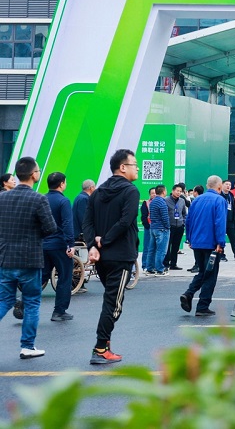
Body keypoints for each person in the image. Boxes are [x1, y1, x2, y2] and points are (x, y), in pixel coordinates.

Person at [83, 149, 140, 365]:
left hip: (102, 258)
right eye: (134, 164)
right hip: (121, 255)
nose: (137, 168)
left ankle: (104, 346)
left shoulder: (97, 192)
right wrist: (103, 241)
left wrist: (92, 245)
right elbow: (126, 221)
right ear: (122, 167)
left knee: (110, 299)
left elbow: (87, 222)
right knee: (113, 304)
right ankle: (100, 349)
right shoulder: (131, 191)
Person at [0, 158, 58, 360]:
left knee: (4, 300)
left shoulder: (2, 198)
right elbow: (51, 228)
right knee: (31, 302)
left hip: (6, 257)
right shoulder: (38, 199)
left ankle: (28, 346)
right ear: (34, 175)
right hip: (30, 259)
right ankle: (27, 346)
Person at [179, 176, 228, 317]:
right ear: (219, 187)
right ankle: (202, 306)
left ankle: (189, 293)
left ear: (207, 186)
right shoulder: (220, 200)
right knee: (210, 274)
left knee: (202, 271)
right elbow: (220, 222)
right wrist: (220, 242)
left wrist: (189, 238)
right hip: (211, 243)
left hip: (197, 242)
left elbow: (188, 220)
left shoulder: (197, 200)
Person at [42, 172, 75, 321]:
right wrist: (70, 244)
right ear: (62, 184)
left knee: (42, 275)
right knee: (64, 276)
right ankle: (59, 311)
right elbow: (67, 223)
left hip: (43, 244)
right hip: (59, 245)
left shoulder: (42, 199)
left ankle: (24, 300)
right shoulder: (63, 201)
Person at [146, 185, 170, 276]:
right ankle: (160, 269)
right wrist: (168, 227)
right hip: (161, 229)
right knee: (161, 250)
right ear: (163, 192)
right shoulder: (162, 202)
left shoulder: (153, 201)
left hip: (153, 228)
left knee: (151, 250)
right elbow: (165, 217)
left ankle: (149, 268)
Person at [163, 184, 188, 271]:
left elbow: (184, 213)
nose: (178, 193)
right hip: (170, 226)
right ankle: (166, 263)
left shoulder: (182, 201)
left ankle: (173, 264)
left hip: (179, 226)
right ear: (173, 191)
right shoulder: (166, 200)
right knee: (167, 245)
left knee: (176, 246)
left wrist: (183, 222)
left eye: (180, 191)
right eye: (177, 191)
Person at [220, 181, 235, 261]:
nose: (228, 186)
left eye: (230, 185)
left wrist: (234, 217)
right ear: (222, 185)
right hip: (222, 220)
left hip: (231, 220)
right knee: (221, 238)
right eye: (226, 184)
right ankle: (221, 255)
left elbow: (233, 207)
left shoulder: (231, 195)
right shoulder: (219, 195)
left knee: (233, 238)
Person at [139, 188, 154, 273]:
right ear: (149, 194)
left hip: (157, 228)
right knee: (147, 247)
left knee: (155, 248)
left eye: (155, 193)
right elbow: (143, 216)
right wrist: (147, 226)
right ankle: (145, 265)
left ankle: (153, 265)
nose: (154, 195)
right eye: (152, 193)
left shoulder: (161, 202)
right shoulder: (146, 203)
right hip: (149, 227)